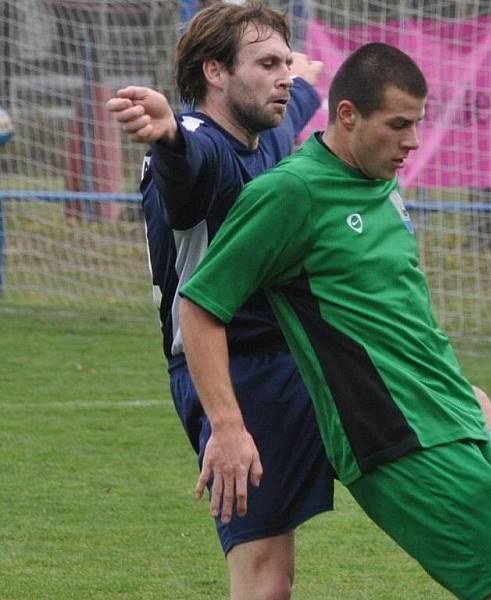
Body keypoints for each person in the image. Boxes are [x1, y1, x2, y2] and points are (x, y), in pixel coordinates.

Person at [178, 42, 491, 599]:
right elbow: (200, 305)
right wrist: (227, 427)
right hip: (395, 438)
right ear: (347, 116)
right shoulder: (290, 193)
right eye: (397, 125)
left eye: (418, 124)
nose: (412, 143)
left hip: (448, 417)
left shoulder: (380, 182)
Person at [105, 4, 333, 599]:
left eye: (285, 61)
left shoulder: (270, 125)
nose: (282, 75)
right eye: (266, 63)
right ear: (215, 72)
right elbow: (186, 160)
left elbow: (298, 97)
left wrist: (299, 69)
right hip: (230, 376)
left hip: (295, 356)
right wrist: (169, 134)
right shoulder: (198, 149)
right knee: (266, 579)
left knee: (455, 412)